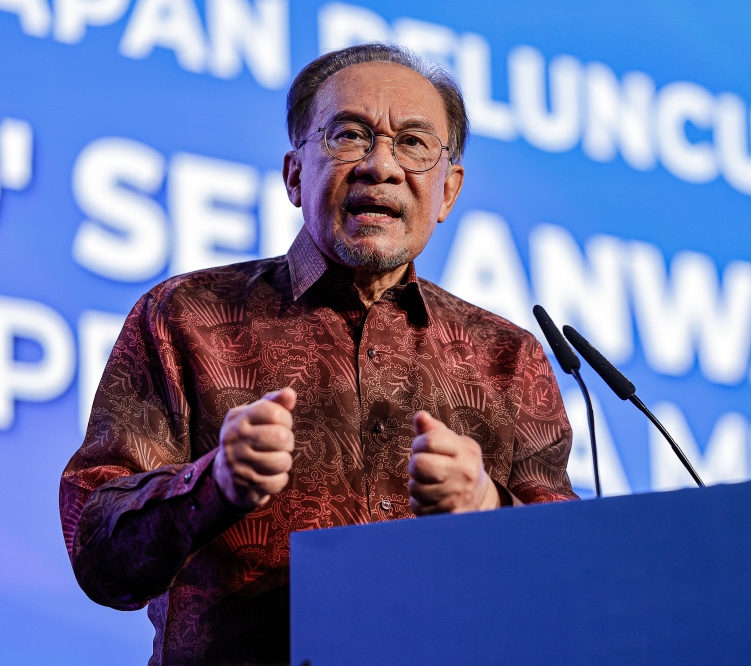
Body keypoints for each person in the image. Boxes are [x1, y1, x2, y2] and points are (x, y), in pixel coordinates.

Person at [59, 44, 577, 666]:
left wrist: (489, 510)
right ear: (295, 174)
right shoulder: (185, 316)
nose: (380, 166)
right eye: (350, 135)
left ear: (447, 193)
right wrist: (215, 484)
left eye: (414, 143)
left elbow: (570, 585)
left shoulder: (508, 358)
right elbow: (98, 554)